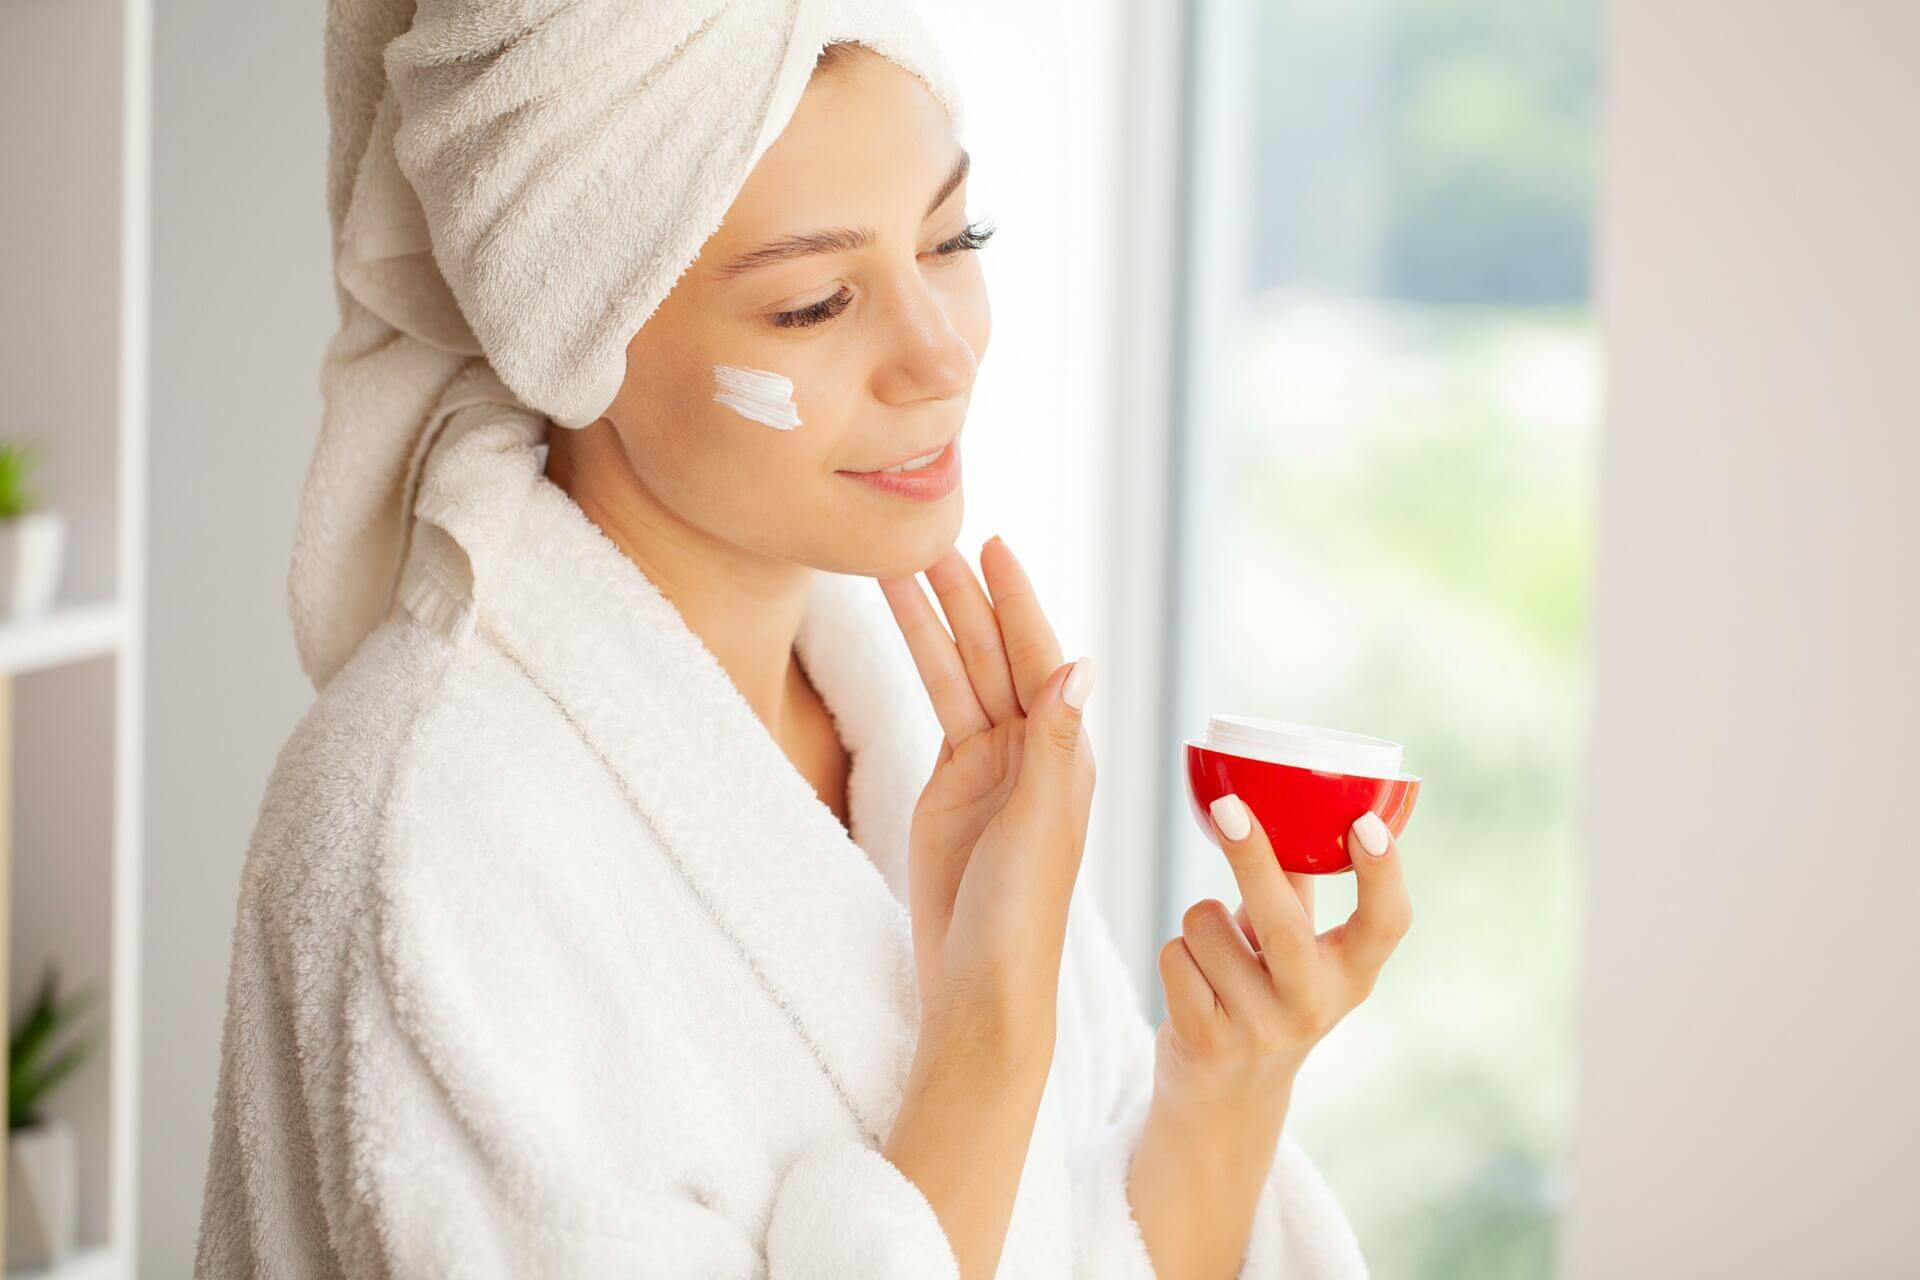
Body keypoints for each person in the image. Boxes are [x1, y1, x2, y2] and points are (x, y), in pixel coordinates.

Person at [195, 10, 1408, 1278]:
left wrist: (1224, 1087)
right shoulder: (428, 828)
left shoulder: (918, 735)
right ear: (578, 335)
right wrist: (989, 1031)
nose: (941, 355)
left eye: (953, 239)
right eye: (816, 303)